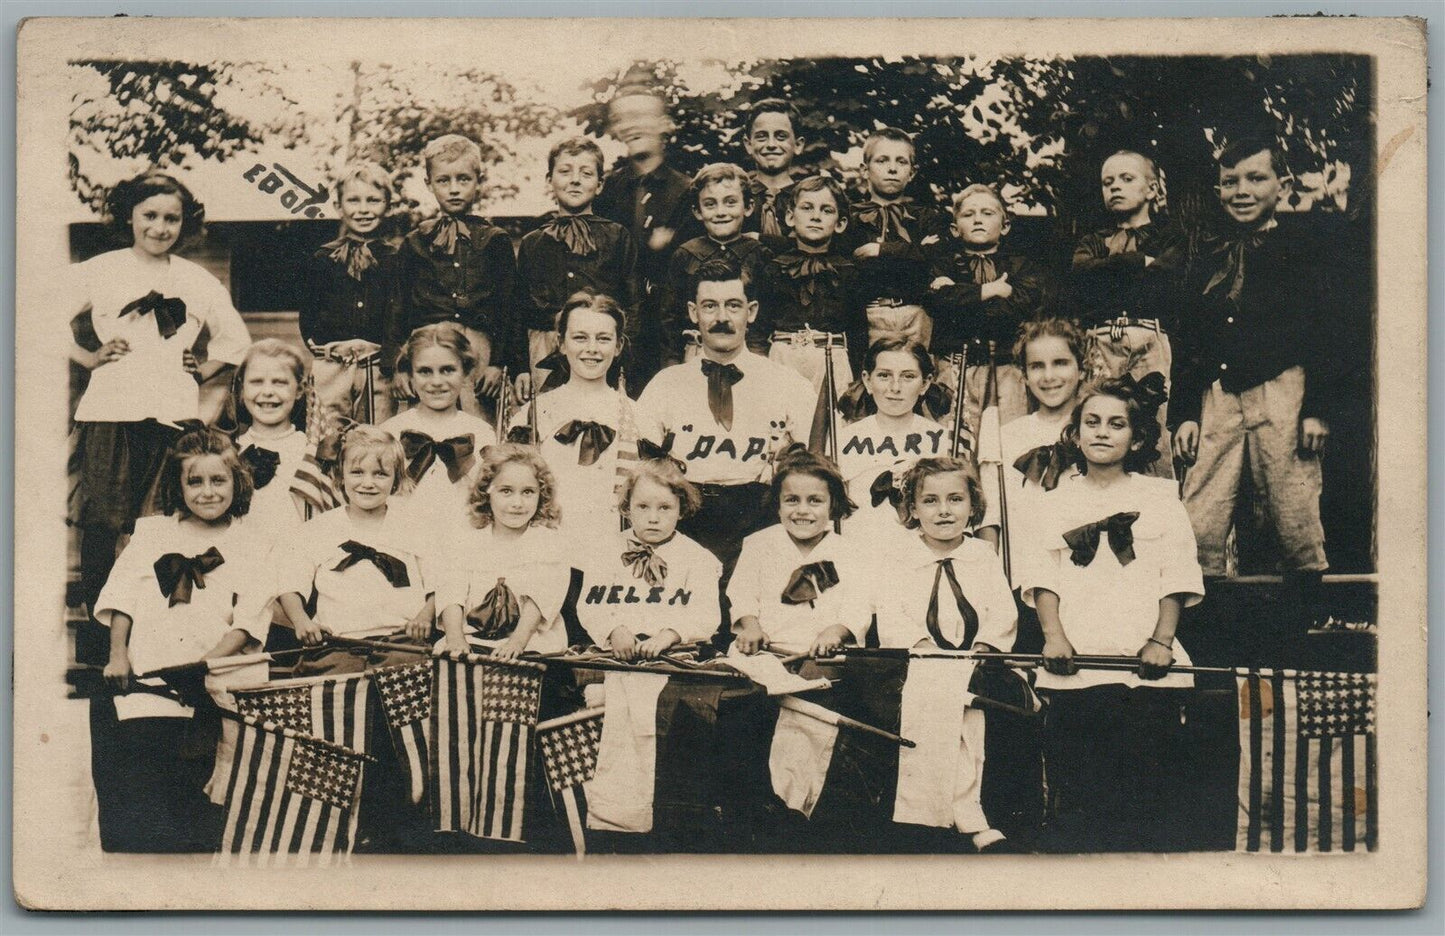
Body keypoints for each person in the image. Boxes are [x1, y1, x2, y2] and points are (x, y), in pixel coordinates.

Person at [1020, 376, 1205, 852]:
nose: (1102, 432)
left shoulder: (1161, 498)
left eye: (1116, 424)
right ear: (1076, 434)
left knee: (1144, 777)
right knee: (1079, 773)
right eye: (1092, 422)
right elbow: (1043, 578)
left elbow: (1176, 576)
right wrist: (1053, 637)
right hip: (1078, 660)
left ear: (1137, 438)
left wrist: (1162, 642)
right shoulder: (1054, 501)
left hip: (1143, 659)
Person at [1170, 135, 1339, 648]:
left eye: (1255, 178)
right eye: (1229, 181)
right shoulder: (1207, 252)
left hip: (1283, 388)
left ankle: (1309, 614)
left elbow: (1331, 333)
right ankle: (1200, 622)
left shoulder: (1306, 248)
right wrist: (1185, 412)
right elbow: (1190, 339)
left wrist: (1319, 409)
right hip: (1219, 391)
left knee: (1292, 498)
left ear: (1282, 186)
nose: (1241, 191)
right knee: (1202, 502)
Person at [69, 171, 252, 620]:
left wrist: (202, 370)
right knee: (102, 526)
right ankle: (98, 634)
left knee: (162, 524)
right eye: (149, 215)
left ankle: (154, 626)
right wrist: (88, 357)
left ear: (184, 224)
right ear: (128, 216)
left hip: (172, 417)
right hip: (111, 414)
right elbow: (34, 311)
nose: (159, 227)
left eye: (172, 218)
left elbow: (236, 340)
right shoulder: (101, 269)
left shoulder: (197, 279)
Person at [93, 427, 270, 851]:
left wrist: (204, 664)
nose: (207, 492)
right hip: (153, 670)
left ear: (237, 483)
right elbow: (123, 599)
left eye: (218, 480)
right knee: (143, 766)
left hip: (217, 674)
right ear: (178, 485)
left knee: (210, 785)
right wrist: (118, 655)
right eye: (195, 481)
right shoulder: (153, 533)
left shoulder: (252, 541)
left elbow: (249, 621)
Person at [636, 257, 816, 582]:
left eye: (734, 306)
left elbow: (813, 470)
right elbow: (643, 471)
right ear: (693, 313)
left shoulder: (790, 385)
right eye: (710, 306)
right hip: (685, 522)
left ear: (753, 311)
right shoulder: (665, 385)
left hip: (760, 521)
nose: (722, 318)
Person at [873, 456, 1018, 852]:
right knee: (932, 709)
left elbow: (1003, 610)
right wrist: (921, 647)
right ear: (913, 509)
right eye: (931, 501)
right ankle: (928, 815)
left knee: (971, 718)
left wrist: (985, 648)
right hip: (922, 661)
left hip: (975, 661)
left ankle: (968, 812)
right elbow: (891, 610)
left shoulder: (983, 556)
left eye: (955, 499)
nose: (943, 511)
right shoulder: (899, 556)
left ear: (973, 506)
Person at [274, 425, 435, 671]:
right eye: (357, 472)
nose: (367, 483)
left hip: (401, 641)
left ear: (396, 479)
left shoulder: (413, 525)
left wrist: (425, 616)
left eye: (380, 474)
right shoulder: (319, 529)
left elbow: (439, 581)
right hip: (337, 641)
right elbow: (290, 585)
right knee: (334, 690)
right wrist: (302, 622)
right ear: (341, 476)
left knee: (410, 677)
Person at [1069, 150, 1184, 476]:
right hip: (1101, 342)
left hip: (1149, 340)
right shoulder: (1093, 240)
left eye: (1126, 179)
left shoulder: (1168, 237)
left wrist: (1107, 270)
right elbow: (1081, 275)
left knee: (1153, 429)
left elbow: (1164, 281)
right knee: (1099, 422)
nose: (1115, 187)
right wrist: (1136, 262)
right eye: (1108, 182)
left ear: (1151, 189)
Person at [510, 290, 645, 539]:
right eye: (580, 338)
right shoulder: (537, 412)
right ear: (561, 343)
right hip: (547, 546)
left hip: (610, 549)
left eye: (603, 339)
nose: (591, 349)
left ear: (618, 346)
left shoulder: (637, 417)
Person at [593, 74, 698, 389]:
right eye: (622, 118)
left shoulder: (687, 191)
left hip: (669, 334)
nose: (630, 125)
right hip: (616, 330)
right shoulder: (607, 191)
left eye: (640, 116)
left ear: (665, 124)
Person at [924, 183, 1049, 443]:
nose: (978, 219)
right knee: (951, 446)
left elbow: (1014, 311)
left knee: (1007, 446)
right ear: (955, 228)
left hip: (1006, 370)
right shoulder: (942, 263)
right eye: (969, 214)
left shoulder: (1022, 267)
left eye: (987, 213)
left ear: (1005, 225)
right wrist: (991, 290)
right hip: (953, 369)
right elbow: (937, 303)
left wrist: (959, 296)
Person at [399, 134, 514, 416]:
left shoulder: (495, 240)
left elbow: (508, 306)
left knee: (481, 421)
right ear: (429, 183)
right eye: (443, 180)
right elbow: (399, 307)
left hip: (479, 349)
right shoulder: (415, 242)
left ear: (478, 181)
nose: (454, 189)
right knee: (425, 420)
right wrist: (400, 366)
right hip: (427, 345)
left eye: (463, 179)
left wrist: (498, 363)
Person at [514, 137, 637, 397]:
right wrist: (520, 367)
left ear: (600, 184)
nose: (575, 180)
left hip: (599, 347)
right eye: (565, 171)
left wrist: (622, 356)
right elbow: (517, 308)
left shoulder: (617, 236)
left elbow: (632, 302)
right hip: (544, 347)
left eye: (586, 173)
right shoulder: (533, 242)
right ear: (550, 180)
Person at [575, 458, 723, 659]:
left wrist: (669, 636)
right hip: (618, 652)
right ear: (628, 508)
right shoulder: (606, 551)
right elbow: (590, 605)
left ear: (681, 509)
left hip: (675, 653)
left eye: (664, 508)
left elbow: (705, 615)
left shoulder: (697, 558)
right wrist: (614, 630)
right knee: (596, 689)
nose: (653, 518)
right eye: (643, 506)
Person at [976, 318, 1087, 587]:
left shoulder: (1095, 432)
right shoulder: (1006, 437)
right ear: (1023, 375)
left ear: (1082, 369)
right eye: (1037, 366)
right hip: (1022, 579)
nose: (1049, 376)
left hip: (1083, 581)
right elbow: (989, 519)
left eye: (1060, 363)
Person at [729, 448, 869, 657]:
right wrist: (752, 627)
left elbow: (858, 606)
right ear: (778, 505)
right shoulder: (759, 544)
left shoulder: (850, 552)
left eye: (815, 500)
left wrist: (835, 632)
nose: (802, 509)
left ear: (832, 505)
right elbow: (742, 594)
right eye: (792, 500)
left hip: (826, 655)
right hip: (766, 651)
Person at [437, 444, 573, 658]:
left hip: (529, 642)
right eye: (506, 491)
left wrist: (516, 643)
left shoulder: (547, 543)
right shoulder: (468, 540)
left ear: (541, 494)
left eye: (528, 492)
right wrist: (455, 638)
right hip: (472, 640)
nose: (517, 503)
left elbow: (539, 600)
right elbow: (452, 592)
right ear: (487, 492)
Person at [298, 161, 406, 424]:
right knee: (327, 433)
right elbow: (309, 310)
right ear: (338, 206)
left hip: (378, 365)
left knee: (377, 432)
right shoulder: (323, 257)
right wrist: (322, 349)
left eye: (373, 200)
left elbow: (400, 311)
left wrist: (390, 356)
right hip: (333, 364)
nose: (363, 210)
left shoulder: (397, 259)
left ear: (388, 207)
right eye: (354, 200)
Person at [834, 338, 958, 544]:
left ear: (925, 383)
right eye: (884, 376)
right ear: (867, 380)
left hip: (921, 556)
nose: (895, 387)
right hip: (859, 553)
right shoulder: (844, 439)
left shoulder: (943, 441)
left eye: (908, 377)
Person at [838, 127, 950, 349]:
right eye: (882, 160)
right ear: (864, 170)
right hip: (867, 315)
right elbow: (851, 268)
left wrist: (881, 251)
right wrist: (915, 251)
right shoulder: (850, 217)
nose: (892, 168)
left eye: (901, 162)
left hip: (917, 314)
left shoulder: (926, 217)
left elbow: (936, 258)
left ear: (912, 171)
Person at [379, 322, 497, 533]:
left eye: (448, 370)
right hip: (404, 540)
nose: (436, 381)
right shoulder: (392, 431)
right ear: (410, 375)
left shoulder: (481, 433)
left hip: (462, 542)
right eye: (425, 372)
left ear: (465, 371)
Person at [758, 174, 867, 389]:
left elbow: (858, 334)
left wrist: (857, 385)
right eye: (807, 208)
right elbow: (759, 329)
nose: (816, 216)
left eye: (826, 210)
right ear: (790, 217)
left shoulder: (849, 271)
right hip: (782, 360)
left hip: (832, 361)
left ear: (840, 223)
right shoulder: (774, 268)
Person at [661, 163, 775, 364]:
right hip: (697, 353)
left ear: (748, 207)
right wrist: (672, 363)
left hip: (750, 352)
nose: (721, 212)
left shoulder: (759, 254)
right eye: (710, 204)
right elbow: (671, 318)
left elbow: (767, 316)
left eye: (730, 202)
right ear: (697, 211)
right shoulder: (685, 255)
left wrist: (760, 359)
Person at [227, 339, 316, 536]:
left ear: (300, 390)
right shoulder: (229, 450)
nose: (267, 392)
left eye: (280, 382)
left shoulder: (311, 452)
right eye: (257, 381)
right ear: (242, 389)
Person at [741, 97, 806, 239]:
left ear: (798, 145)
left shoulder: (809, 199)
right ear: (748, 144)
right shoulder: (737, 197)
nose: (771, 144)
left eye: (781, 136)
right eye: (761, 137)